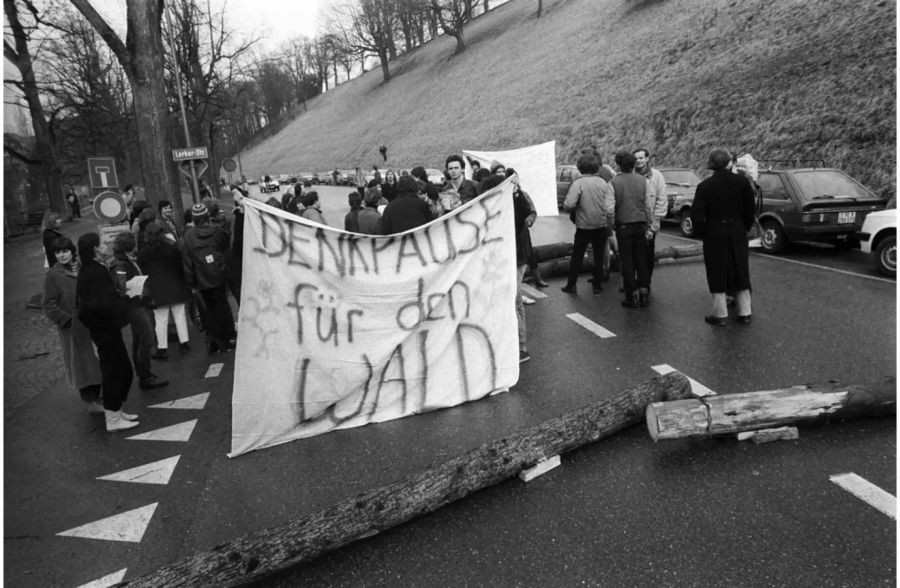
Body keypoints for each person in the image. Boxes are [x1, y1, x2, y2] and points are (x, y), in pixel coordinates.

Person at [75, 231, 139, 432]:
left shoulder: (93, 269)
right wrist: (125, 299)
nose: (106, 245)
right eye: (102, 243)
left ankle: (117, 410)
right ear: (94, 249)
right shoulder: (93, 272)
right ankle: (112, 418)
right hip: (104, 328)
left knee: (122, 369)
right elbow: (102, 303)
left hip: (106, 327)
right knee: (114, 371)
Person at [691, 148, 756, 326]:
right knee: (740, 268)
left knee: (716, 270)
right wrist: (744, 227)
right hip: (737, 229)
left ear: (711, 165)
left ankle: (720, 314)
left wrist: (704, 232)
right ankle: (745, 312)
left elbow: (697, 216)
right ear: (729, 163)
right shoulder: (742, 182)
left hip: (715, 231)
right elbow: (750, 209)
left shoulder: (704, 186)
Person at [42, 236, 103, 414]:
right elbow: (49, 304)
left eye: (65, 251)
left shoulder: (83, 267)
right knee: (81, 365)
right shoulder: (53, 276)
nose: (62, 255)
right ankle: (90, 401)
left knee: (97, 360)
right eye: (58, 252)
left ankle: (98, 394)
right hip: (73, 329)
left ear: (72, 251)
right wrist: (67, 320)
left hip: (92, 322)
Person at [109, 231, 168, 389]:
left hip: (138, 304)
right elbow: (122, 288)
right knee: (147, 339)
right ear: (128, 246)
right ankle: (145, 375)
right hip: (134, 306)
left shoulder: (125, 260)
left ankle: (143, 372)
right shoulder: (121, 264)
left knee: (139, 340)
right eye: (133, 243)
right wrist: (136, 290)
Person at [182, 202, 236, 353]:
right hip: (218, 275)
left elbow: (187, 262)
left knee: (208, 310)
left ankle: (212, 339)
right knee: (222, 307)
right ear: (207, 217)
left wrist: (191, 283)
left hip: (201, 279)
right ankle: (225, 338)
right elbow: (226, 244)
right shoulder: (216, 232)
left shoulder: (188, 237)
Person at [561, 155, 615, 295]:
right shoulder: (604, 183)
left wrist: (574, 209)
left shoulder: (579, 183)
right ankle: (597, 285)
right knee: (599, 256)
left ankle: (571, 284)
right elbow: (610, 205)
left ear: (580, 167)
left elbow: (569, 204)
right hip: (601, 225)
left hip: (583, 226)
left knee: (577, 256)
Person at [139, 222, 192, 358]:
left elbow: (143, 271)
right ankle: (184, 343)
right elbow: (180, 266)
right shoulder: (171, 248)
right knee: (179, 315)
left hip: (157, 289)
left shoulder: (144, 252)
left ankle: (162, 348)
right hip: (175, 285)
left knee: (160, 319)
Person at [611, 150, 652, 308]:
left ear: (618, 165)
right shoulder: (643, 181)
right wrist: (648, 223)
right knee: (641, 259)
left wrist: (613, 222)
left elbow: (609, 208)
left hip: (623, 225)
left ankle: (631, 295)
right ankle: (644, 294)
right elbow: (647, 205)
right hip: (640, 224)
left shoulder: (614, 182)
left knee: (627, 260)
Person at [505, 167, 549, 289]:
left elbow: (532, 211)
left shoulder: (524, 195)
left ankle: (538, 278)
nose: (514, 182)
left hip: (522, 232)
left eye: (516, 178)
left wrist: (529, 221)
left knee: (529, 254)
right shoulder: (503, 197)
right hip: (508, 233)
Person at [634, 148, 669, 288]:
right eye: (636, 158)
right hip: (635, 222)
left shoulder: (657, 176)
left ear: (647, 158)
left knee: (647, 256)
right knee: (634, 255)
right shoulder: (631, 174)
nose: (638, 161)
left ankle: (646, 283)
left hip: (649, 223)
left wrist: (654, 226)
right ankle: (635, 281)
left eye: (641, 158)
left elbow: (661, 200)